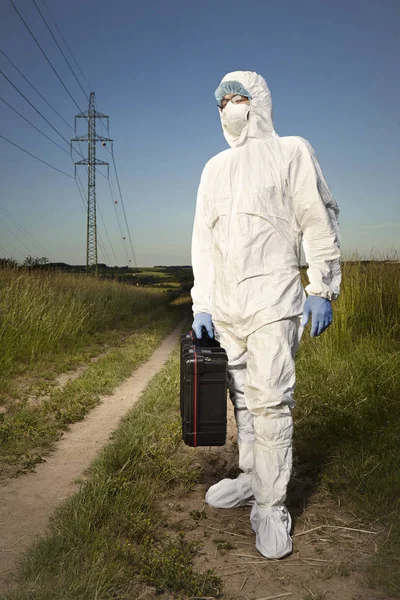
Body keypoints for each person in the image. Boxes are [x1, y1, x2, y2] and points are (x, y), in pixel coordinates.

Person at [190, 71, 341, 559]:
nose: (229, 106)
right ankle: (252, 479)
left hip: (275, 299)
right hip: (229, 305)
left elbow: (317, 218)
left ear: (259, 102)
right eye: (222, 101)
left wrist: (321, 286)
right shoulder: (213, 168)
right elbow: (203, 243)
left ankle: (273, 506)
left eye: (238, 97)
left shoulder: (291, 150)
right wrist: (203, 303)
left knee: (271, 400)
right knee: (242, 401)